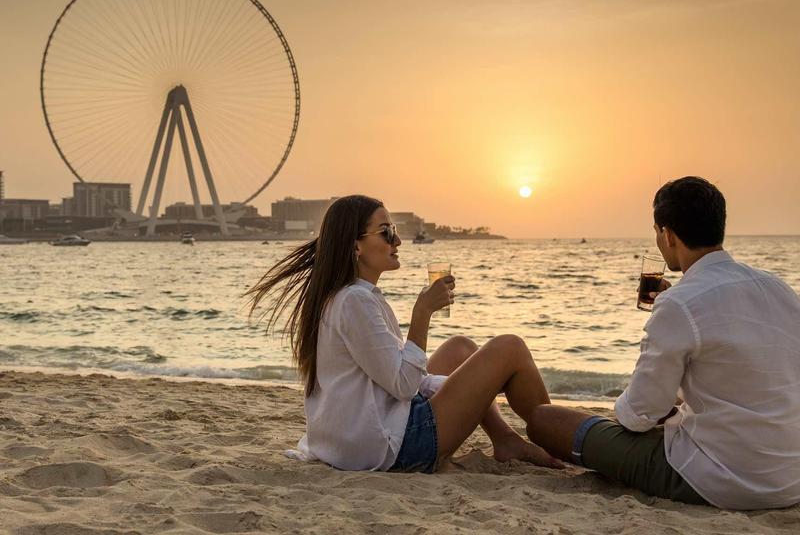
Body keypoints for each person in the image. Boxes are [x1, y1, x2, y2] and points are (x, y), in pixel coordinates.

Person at [526, 176, 800, 510]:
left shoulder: (679, 305)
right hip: (789, 476)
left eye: (657, 231)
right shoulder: (778, 289)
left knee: (544, 419)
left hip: (724, 480)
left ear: (667, 235)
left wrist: (639, 406)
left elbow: (638, 415)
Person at [247, 194, 564, 473]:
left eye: (394, 231)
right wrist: (422, 314)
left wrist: (459, 386)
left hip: (357, 438)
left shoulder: (345, 296)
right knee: (510, 347)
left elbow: (394, 377)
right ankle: (559, 438)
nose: (397, 241)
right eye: (386, 233)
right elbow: (402, 385)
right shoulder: (355, 301)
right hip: (389, 447)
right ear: (355, 245)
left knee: (461, 348)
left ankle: (506, 439)